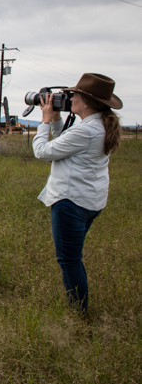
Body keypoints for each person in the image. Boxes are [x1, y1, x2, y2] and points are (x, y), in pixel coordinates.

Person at [32, 73, 123, 318]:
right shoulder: (98, 124)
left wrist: (44, 121)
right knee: (73, 257)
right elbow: (67, 141)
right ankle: (78, 309)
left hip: (70, 202)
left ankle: (79, 315)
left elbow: (42, 151)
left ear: (87, 103)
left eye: (75, 96)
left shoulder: (88, 130)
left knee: (70, 261)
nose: (70, 99)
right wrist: (57, 120)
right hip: (91, 200)